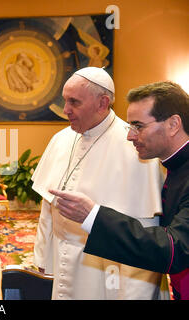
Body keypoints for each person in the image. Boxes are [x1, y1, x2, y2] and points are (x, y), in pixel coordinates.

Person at [30, 67, 167, 299]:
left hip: (107, 272)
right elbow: (48, 208)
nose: (66, 110)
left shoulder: (134, 147)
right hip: (64, 260)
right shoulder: (60, 139)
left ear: (102, 103)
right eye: (65, 101)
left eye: (74, 102)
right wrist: (42, 258)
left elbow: (144, 234)